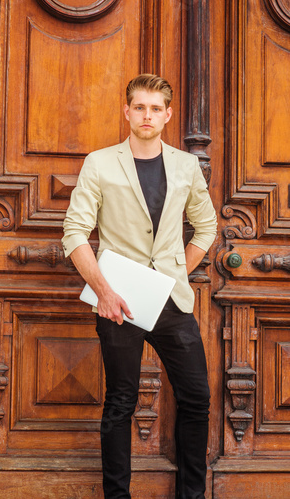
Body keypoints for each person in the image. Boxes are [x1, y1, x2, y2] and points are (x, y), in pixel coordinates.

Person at [61, 74, 217, 499]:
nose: (147, 115)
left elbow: (206, 227)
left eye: (155, 108)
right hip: (118, 301)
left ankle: (191, 495)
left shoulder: (186, 166)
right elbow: (74, 232)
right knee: (120, 403)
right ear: (126, 110)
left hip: (171, 301)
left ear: (167, 115)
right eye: (139, 107)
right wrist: (105, 292)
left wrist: (174, 276)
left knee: (197, 399)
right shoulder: (100, 162)